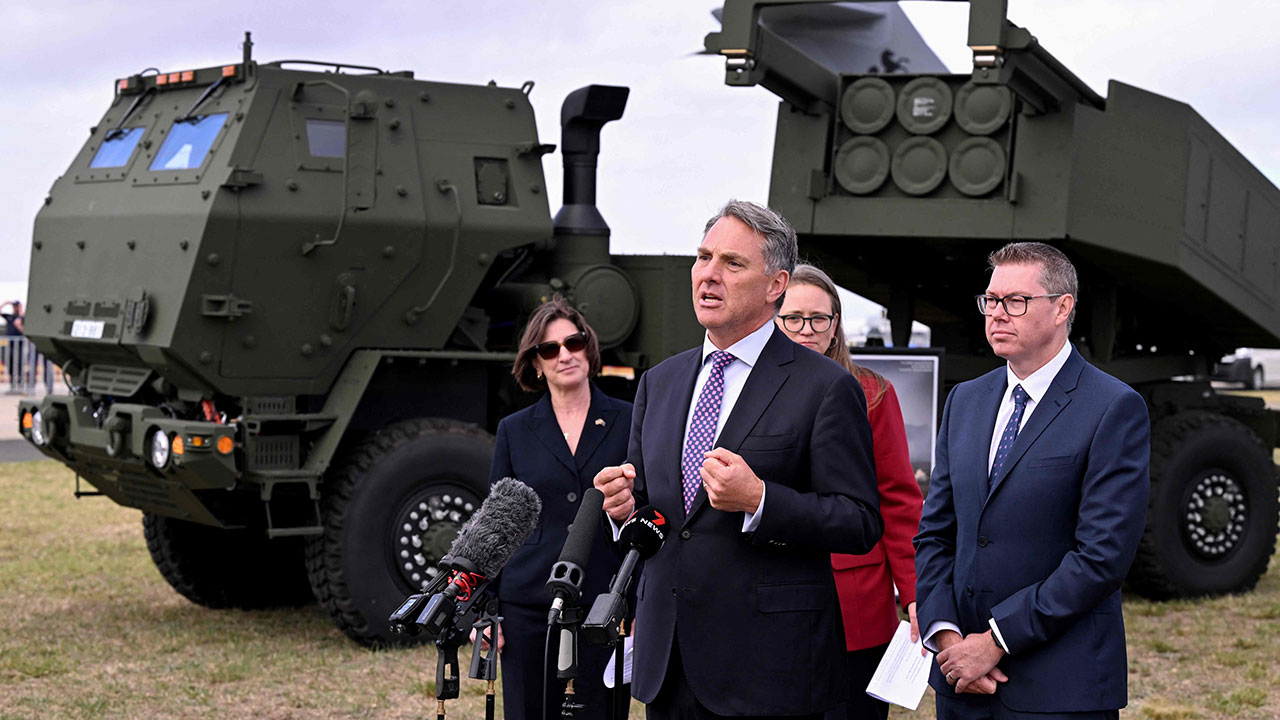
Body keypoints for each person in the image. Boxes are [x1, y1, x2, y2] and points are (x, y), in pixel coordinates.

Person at [594, 200, 883, 720]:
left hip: (768, 669)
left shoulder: (825, 386)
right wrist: (623, 511)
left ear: (776, 285)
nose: (708, 274)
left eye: (732, 263)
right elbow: (659, 515)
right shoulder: (661, 382)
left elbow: (858, 521)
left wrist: (761, 500)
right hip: (670, 662)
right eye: (703, 257)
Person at [914, 242, 1150, 720]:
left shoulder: (1113, 407)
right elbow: (936, 532)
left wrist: (995, 641)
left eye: (1016, 301)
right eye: (991, 300)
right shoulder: (965, 400)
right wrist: (947, 637)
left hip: (1058, 687)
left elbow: (1101, 557)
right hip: (961, 681)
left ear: (1063, 308)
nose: (998, 313)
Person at [775, 264, 923, 720]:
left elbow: (898, 501)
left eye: (819, 318)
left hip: (853, 602)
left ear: (835, 323)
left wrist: (915, 593)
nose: (807, 330)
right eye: (793, 318)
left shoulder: (872, 393)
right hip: (770, 592)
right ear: (773, 319)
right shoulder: (747, 391)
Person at [486, 297, 633, 720]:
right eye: (549, 349)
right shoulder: (513, 430)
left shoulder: (630, 419)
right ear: (535, 363)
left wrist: (641, 603)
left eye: (574, 342)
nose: (564, 355)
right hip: (528, 605)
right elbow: (496, 527)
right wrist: (487, 612)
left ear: (589, 347)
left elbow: (648, 513)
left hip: (606, 602)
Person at [1, 301, 24, 390]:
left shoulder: (22, 317)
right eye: (14, 306)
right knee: (10, 363)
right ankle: (12, 383)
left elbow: (24, 331)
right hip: (10, 345)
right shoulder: (10, 316)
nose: (15, 308)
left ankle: (20, 383)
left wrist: (19, 321)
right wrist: (6, 303)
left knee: (19, 364)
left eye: (17, 306)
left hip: (20, 345)